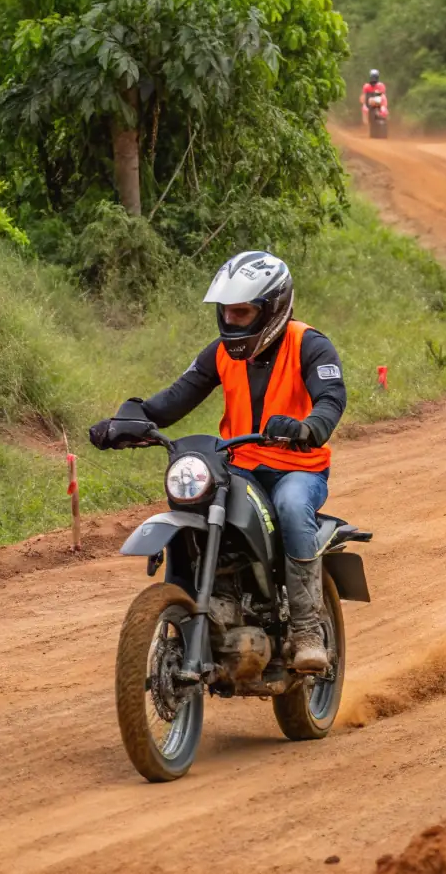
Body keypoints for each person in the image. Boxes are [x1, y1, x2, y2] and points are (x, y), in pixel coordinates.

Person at [89, 251, 347, 674]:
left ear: (272, 309)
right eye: (227, 312)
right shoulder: (221, 353)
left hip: (296, 467)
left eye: (242, 312)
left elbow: (332, 398)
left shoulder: (310, 345)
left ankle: (305, 630)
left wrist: (308, 427)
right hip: (240, 463)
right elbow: (174, 399)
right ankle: (198, 606)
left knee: (290, 507)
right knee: (199, 498)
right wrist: (127, 420)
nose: (232, 321)